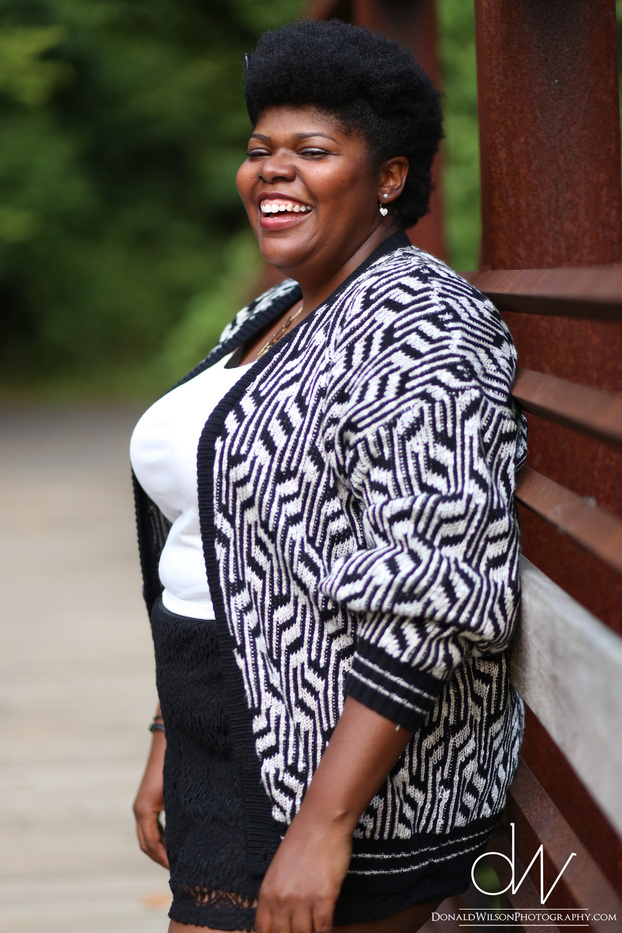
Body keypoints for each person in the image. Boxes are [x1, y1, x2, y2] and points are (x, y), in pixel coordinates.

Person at [130, 18, 527, 933]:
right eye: (258, 150)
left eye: (311, 150)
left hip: (336, 764)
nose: (272, 170)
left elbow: (433, 591)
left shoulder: (425, 327)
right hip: (221, 727)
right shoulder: (277, 309)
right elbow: (222, 535)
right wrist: (169, 733)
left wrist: (324, 823)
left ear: (388, 177)